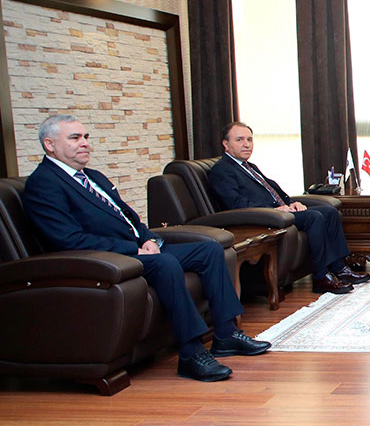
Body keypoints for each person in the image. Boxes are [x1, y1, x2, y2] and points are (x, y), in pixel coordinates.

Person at [22, 115, 270, 382]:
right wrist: (132, 249)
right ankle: (191, 353)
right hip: (108, 259)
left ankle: (226, 335)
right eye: (75, 138)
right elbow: (68, 240)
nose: (84, 143)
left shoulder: (93, 177)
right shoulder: (44, 183)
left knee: (209, 250)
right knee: (166, 263)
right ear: (49, 145)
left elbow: (129, 217)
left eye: (85, 137)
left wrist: (149, 239)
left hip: (136, 249)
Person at [209, 122, 370, 295]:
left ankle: (339, 268)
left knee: (330, 212)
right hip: (263, 218)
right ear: (226, 144)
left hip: (280, 212)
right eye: (240, 140)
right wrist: (275, 210)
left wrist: (291, 203)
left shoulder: (249, 167)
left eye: (249, 139)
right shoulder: (222, 170)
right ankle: (321, 277)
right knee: (314, 217)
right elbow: (235, 203)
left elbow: (271, 190)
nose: (246, 144)